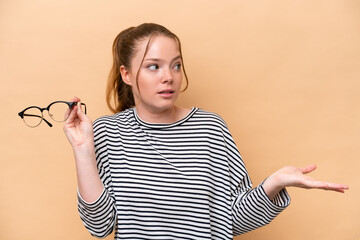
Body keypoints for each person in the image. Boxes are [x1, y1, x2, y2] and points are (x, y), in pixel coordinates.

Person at [63, 23, 349, 239]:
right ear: (127, 74)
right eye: (154, 67)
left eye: (176, 65)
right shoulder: (107, 132)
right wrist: (82, 150)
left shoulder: (210, 128)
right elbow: (99, 226)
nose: (169, 77)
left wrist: (273, 183)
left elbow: (232, 219)